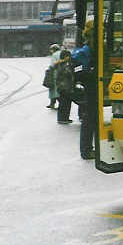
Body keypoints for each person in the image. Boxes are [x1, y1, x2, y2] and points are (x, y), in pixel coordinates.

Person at [71, 20, 95, 160]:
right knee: (89, 118)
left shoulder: (91, 48)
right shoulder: (82, 52)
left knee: (90, 118)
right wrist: (91, 73)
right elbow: (78, 71)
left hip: (92, 86)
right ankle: (86, 150)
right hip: (89, 88)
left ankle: (90, 148)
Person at [54, 48, 74, 124]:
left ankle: (64, 117)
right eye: (68, 56)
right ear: (65, 56)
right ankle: (62, 118)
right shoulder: (63, 64)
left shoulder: (62, 64)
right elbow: (67, 73)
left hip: (63, 86)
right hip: (64, 86)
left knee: (65, 103)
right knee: (64, 103)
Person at [46, 43, 61, 109]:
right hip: (62, 72)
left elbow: (53, 65)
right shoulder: (61, 53)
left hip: (55, 73)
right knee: (58, 89)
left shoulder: (54, 55)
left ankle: (52, 103)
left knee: (53, 88)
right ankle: (56, 103)